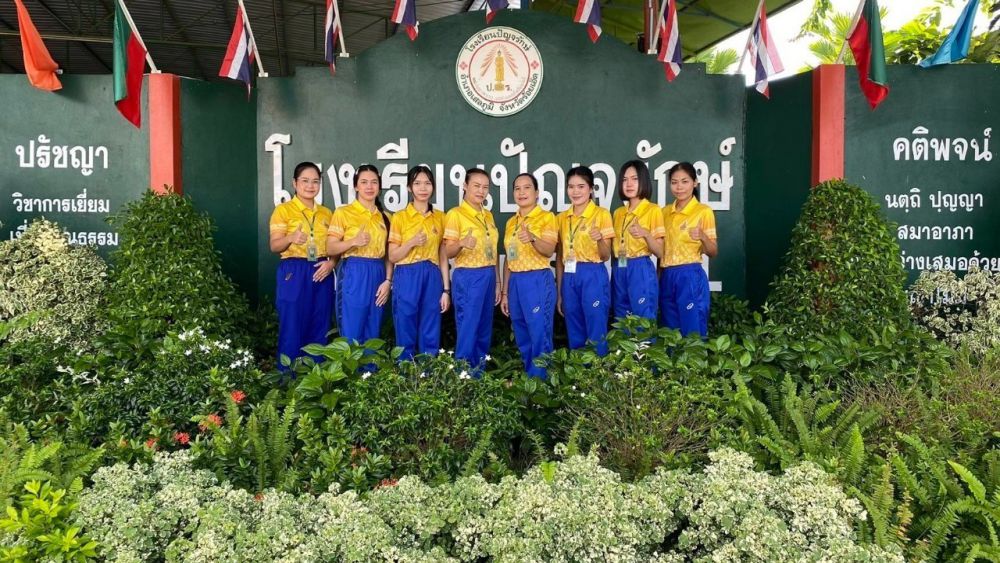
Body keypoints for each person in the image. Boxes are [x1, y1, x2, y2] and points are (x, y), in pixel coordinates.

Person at [268, 161, 335, 369]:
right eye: (305, 181)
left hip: (322, 270)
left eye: (315, 181)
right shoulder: (283, 211)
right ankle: (288, 378)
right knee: (292, 324)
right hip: (294, 270)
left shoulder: (327, 213)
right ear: (294, 183)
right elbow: (274, 245)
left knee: (320, 324)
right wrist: (290, 238)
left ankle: (316, 378)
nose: (310, 186)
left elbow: (334, 247)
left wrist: (332, 263)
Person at [388, 165, 450, 360]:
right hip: (406, 274)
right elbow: (392, 256)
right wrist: (411, 243)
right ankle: (406, 371)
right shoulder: (400, 217)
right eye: (417, 183)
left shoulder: (440, 217)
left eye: (427, 183)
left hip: (432, 274)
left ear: (433, 187)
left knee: (430, 325)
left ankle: (428, 372)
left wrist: (446, 290)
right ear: (409, 187)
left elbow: (443, 255)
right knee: (405, 323)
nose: (423, 188)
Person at [500, 173, 558, 378]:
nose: (521, 192)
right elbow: (509, 258)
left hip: (537, 280)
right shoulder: (511, 222)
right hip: (515, 281)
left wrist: (533, 238)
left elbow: (549, 250)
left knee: (539, 334)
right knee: (522, 333)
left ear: (537, 192)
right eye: (517, 188)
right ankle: (530, 381)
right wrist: (505, 293)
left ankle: (541, 385)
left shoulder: (547, 217)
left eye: (527, 188)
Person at [327, 164, 392, 344]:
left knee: (374, 328)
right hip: (354, 271)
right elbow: (330, 248)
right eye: (364, 182)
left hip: (378, 272)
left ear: (379, 186)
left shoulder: (386, 217)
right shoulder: (344, 212)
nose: (369, 187)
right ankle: (351, 363)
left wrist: (388, 281)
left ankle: (371, 364)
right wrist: (352, 242)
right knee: (352, 329)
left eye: (374, 182)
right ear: (356, 186)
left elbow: (389, 254)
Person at [443, 168, 500, 371]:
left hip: (488, 275)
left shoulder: (488, 215)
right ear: (465, 186)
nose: (481, 191)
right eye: (476, 186)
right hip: (468, 275)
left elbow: (493, 251)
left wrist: (497, 282)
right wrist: (461, 243)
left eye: (485, 187)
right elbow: (448, 251)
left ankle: (479, 374)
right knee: (468, 328)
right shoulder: (456, 214)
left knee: (484, 329)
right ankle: (463, 376)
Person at [556, 166, 615, 356]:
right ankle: (579, 371)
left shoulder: (601, 214)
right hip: (569, 276)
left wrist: (599, 239)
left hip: (593, 274)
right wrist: (560, 292)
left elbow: (606, 255)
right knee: (574, 328)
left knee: (596, 328)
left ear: (591, 189)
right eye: (571, 187)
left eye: (581, 186)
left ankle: (598, 370)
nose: (575, 192)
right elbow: (560, 256)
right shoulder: (561, 218)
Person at [660, 161, 718, 338]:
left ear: (695, 183)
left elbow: (713, 251)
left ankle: (696, 358)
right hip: (667, 274)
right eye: (674, 182)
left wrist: (703, 236)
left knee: (692, 329)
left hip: (690, 274)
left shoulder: (703, 211)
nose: (679, 187)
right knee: (670, 331)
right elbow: (661, 250)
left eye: (684, 181)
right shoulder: (664, 212)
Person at [612, 160, 665, 323]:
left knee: (643, 319)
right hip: (620, 266)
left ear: (643, 180)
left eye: (634, 179)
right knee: (621, 318)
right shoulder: (618, 213)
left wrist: (646, 234)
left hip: (640, 267)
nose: (629, 184)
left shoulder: (653, 210)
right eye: (625, 180)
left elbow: (660, 252)